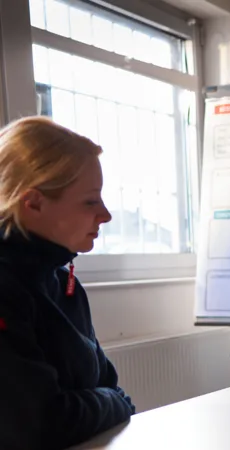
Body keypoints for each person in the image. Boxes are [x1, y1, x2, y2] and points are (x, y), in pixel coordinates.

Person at [0, 117, 135, 449]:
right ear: (33, 203)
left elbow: (110, 387)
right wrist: (110, 402)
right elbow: (38, 426)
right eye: (90, 201)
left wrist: (104, 401)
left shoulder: (64, 281)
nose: (105, 215)